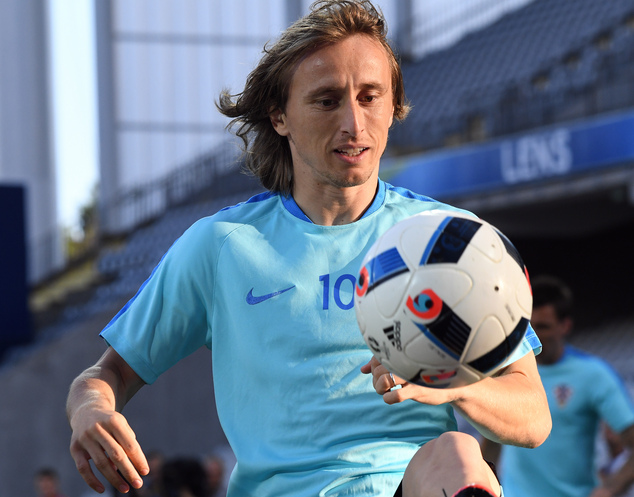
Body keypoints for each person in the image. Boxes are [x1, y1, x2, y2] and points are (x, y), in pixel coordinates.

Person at [66, 2, 551, 496]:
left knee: (458, 454)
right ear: (280, 116)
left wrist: (451, 383)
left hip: (410, 485)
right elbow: (106, 375)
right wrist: (90, 408)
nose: (355, 124)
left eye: (370, 97)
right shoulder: (223, 247)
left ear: (393, 105)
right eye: (326, 101)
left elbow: (533, 416)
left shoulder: (452, 240)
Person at [481, 275, 634, 497]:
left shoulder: (594, 375)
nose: (532, 337)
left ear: (565, 326)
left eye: (542, 327)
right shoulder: (505, 372)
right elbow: (492, 440)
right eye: (528, 327)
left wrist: (609, 490)